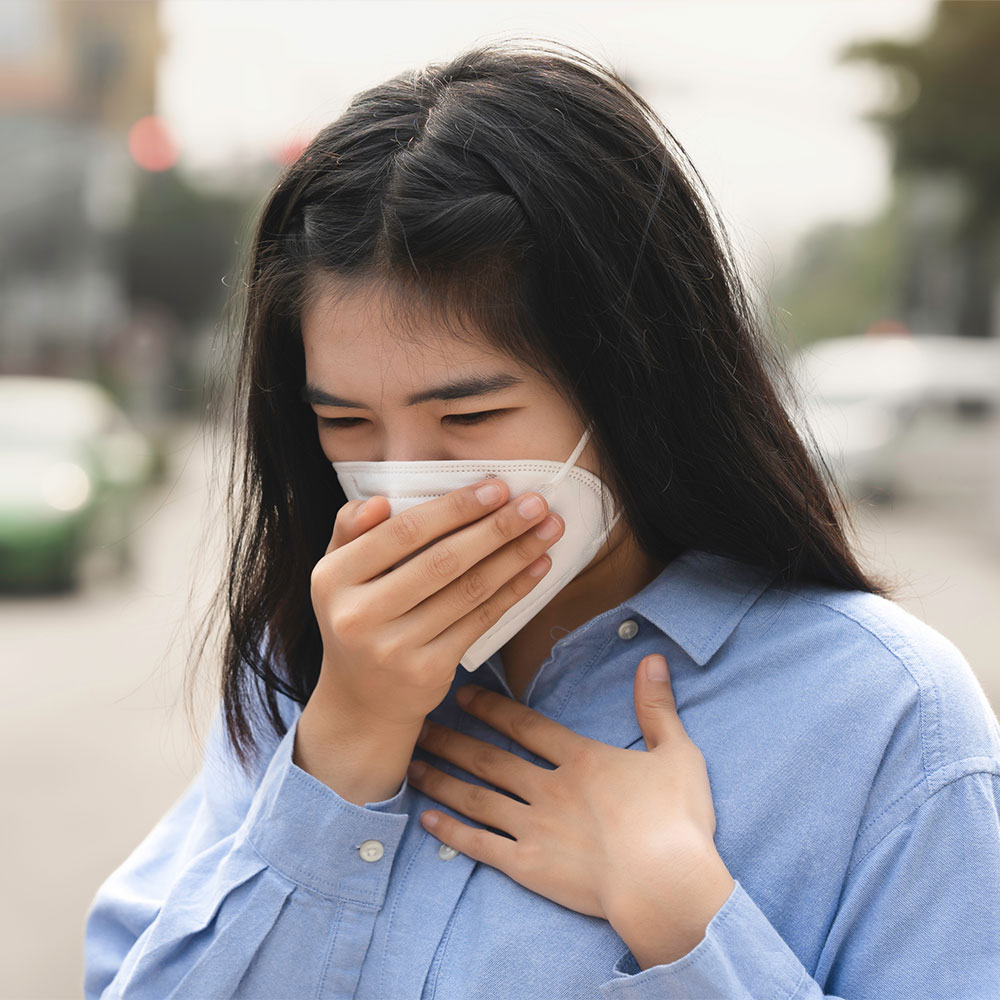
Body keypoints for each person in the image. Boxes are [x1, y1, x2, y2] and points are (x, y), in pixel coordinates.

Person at [83, 38, 1000, 999]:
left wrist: (681, 912)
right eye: (346, 421)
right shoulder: (308, 668)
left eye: (469, 418)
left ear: (634, 385)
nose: (400, 487)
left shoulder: (885, 715)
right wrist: (344, 749)